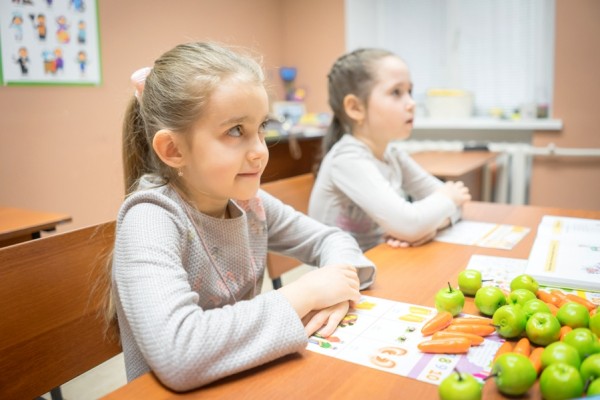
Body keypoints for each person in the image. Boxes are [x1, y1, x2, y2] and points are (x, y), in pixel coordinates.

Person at [110, 42, 376, 392]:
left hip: (245, 381)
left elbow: (331, 239)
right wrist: (307, 293)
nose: (260, 152)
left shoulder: (249, 204)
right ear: (174, 149)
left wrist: (338, 290)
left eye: (261, 127)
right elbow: (180, 352)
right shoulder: (150, 219)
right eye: (236, 131)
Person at [309, 48, 471, 252]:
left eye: (410, 91)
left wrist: (430, 226)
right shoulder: (347, 159)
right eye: (396, 92)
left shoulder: (392, 154)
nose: (411, 103)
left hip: (384, 261)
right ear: (355, 108)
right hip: (343, 276)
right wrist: (437, 209)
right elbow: (412, 223)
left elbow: (458, 204)